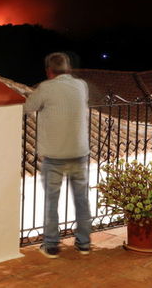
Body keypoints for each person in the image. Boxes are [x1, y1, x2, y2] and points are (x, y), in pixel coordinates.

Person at [24, 52, 91, 258]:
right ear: (68, 70)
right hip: (79, 152)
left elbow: (27, 108)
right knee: (82, 199)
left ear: (49, 71)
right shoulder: (81, 86)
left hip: (54, 155)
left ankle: (52, 245)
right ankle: (84, 243)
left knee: (51, 201)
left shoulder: (46, 87)